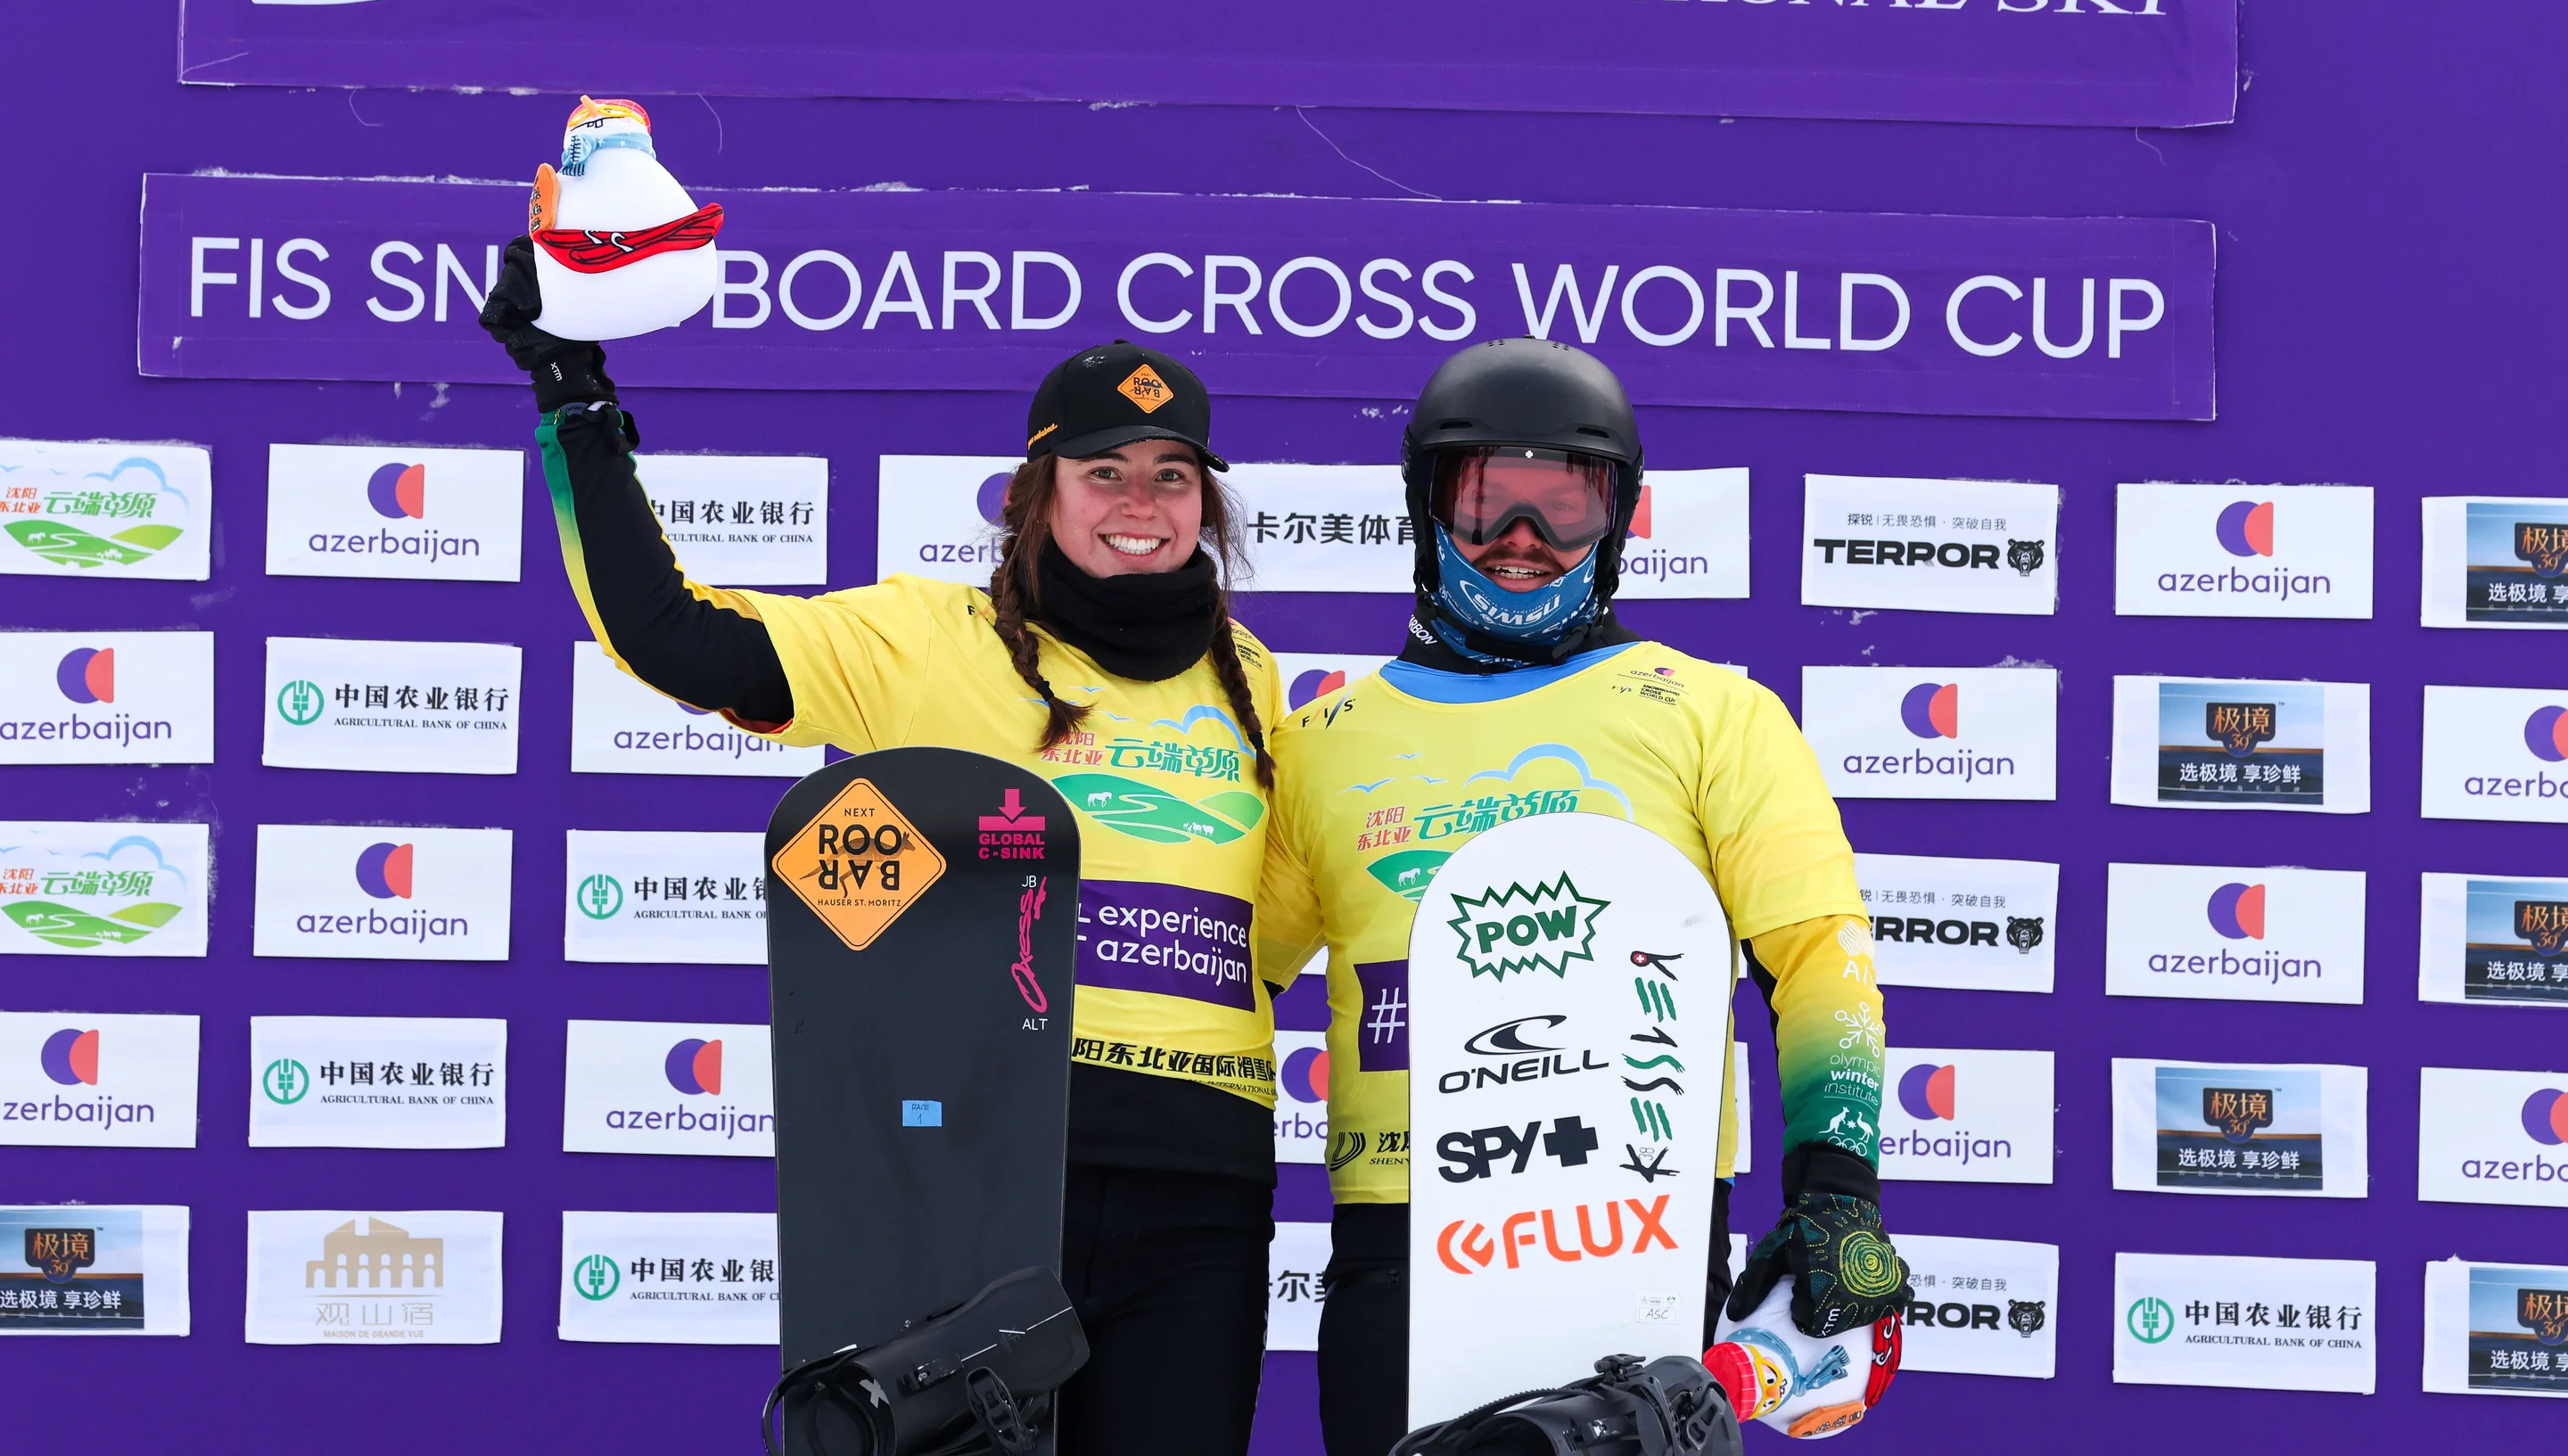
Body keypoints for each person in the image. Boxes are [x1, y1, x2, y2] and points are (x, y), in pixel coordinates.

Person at [481, 243, 1284, 1456]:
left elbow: (1270, 929)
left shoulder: (1253, 678)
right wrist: (574, 401)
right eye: (1104, 471)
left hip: (1200, 1188)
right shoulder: (926, 640)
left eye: (1173, 477)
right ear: (1036, 493)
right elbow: (672, 634)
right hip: (989, 1169)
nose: (1141, 503)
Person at [1257, 339, 1910, 1454]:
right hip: (1404, 1235)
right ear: (1424, 505)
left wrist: (1837, 1190)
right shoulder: (1322, 741)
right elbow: (1226, 983)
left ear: (1615, 518)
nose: (1522, 542)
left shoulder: (1714, 714)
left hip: (1632, 1232)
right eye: (1485, 503)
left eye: (1564, 507)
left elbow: (1817, 956)